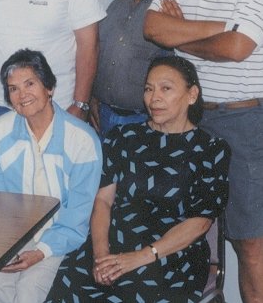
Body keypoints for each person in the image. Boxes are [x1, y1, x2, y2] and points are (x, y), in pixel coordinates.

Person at [144, 0, 263, 303]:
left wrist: (182, 35)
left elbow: (238, 47)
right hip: (188, 122)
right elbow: (153, 27)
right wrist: (215, 29)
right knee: (186, 234)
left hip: (243, 122)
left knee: (249, 243)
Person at [46, 56, 230, 302]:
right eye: (148, 89)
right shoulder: (123, 136)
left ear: (192, 94)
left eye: (166, 88)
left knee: (139, 291)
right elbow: (102, 201)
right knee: (67, 280)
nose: (154, 98)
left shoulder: (211, 149)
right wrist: (101, 255)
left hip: (171, 256)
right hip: (112, 244)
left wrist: (140, 257)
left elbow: (200, 222)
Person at [0, 49, 102, 303]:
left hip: (58, 237)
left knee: (27, 294)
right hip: (12, 238)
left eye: (30, 84)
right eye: (13, 89)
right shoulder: (0, 132)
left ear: (50, 87)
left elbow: (77, 214)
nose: (22, 95)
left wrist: (41, 251)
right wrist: (5, 246)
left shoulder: (81, 139)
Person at [91, 0, 174, 138]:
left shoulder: (173, 8)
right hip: (105, 119)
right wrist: (92, 97)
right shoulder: (115, 5)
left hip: (149, 125)